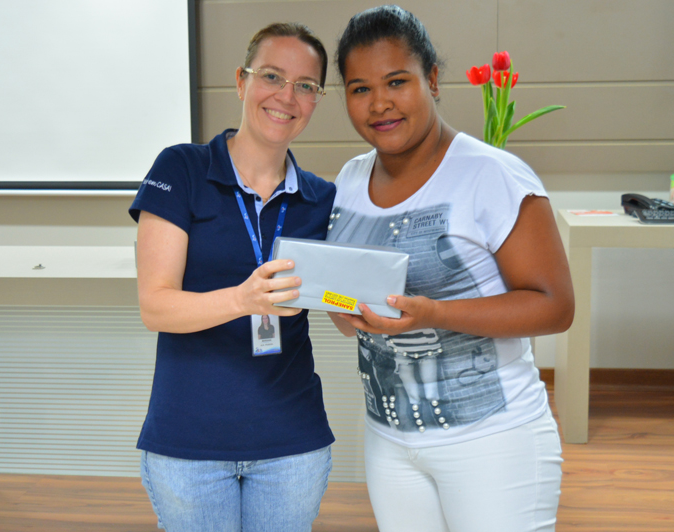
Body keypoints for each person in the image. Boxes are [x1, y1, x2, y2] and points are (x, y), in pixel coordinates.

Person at [326, 6, 575, 532]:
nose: (379, 103)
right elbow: (350, 310)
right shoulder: (349, 180)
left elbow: (555, 307)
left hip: (493, 440)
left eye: (397, 81)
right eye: (360, 88)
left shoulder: (491, 174)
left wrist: (434, 314)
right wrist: (342, 309)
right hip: (389, 440)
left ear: (433, 80)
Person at [128, 22, 336, 532]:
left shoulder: (321, 198)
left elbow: (337, 305)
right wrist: (244, 300)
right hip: (189, 441)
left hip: (292, 443)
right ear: (242, 81)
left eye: (305, 85)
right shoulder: (182, 169)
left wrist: (367, 309)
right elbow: (155, 306)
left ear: (316, 100)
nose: (286, 96)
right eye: (272, 76)